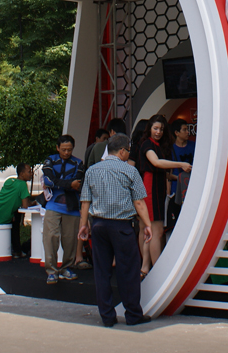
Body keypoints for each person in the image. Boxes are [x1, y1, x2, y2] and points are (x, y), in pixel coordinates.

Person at [78, 133, 152, 328]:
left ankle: (107, 317)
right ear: (121, 151)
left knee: (102, 272)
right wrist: (148, 224)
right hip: (122, 227)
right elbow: (139, 202)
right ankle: (133, 314)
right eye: (128, 150)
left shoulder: (92, 170)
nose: (129, 154)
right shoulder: (130, 171)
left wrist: (84, 225)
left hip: (99, 226)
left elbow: (85, 201)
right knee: (128, 271)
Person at [138, 115, 191, 274]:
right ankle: (158, 271)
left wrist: (179, 177)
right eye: (155, 128)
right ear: (149, 129)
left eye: (161, 129)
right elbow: (156, 163)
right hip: (151, 188)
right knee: (157, 230)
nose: (158, 132)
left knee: (149, 230)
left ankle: (146, 267)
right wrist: (181, 165)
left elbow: (163, 172)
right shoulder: (147, 144)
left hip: (157, 187)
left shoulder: (158, 145)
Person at [41, 135, 85, 284]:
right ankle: (51, 271)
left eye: (69, 150)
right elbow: (48, 181)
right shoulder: (50, 160)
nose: (66, 152)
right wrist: (69, 184)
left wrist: (58, 183)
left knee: (70, 240)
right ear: (57, 148)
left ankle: (67, 268)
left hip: (72, 207)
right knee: (50, 238)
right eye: (64, 149)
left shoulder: (78, 163)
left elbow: (77, 183)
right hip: (53, 205)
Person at [0, 163, 33, 258]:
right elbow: (25, 205)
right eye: (29, 172)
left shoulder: (9, 181)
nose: (31, 174)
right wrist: (33, 203)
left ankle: (17, 250)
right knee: (16, 222)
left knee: (15, 217)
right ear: (22, 174)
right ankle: (17, 250)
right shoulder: (23, 185)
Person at [166, 118, 195, 231]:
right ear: (176, 133)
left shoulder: (194, 146)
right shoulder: (170, 150)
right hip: (177, 191)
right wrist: (180, 178)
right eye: (184, 130)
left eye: (187, 129)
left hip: (192, 188)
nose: (188, 132)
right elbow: (168, 175)